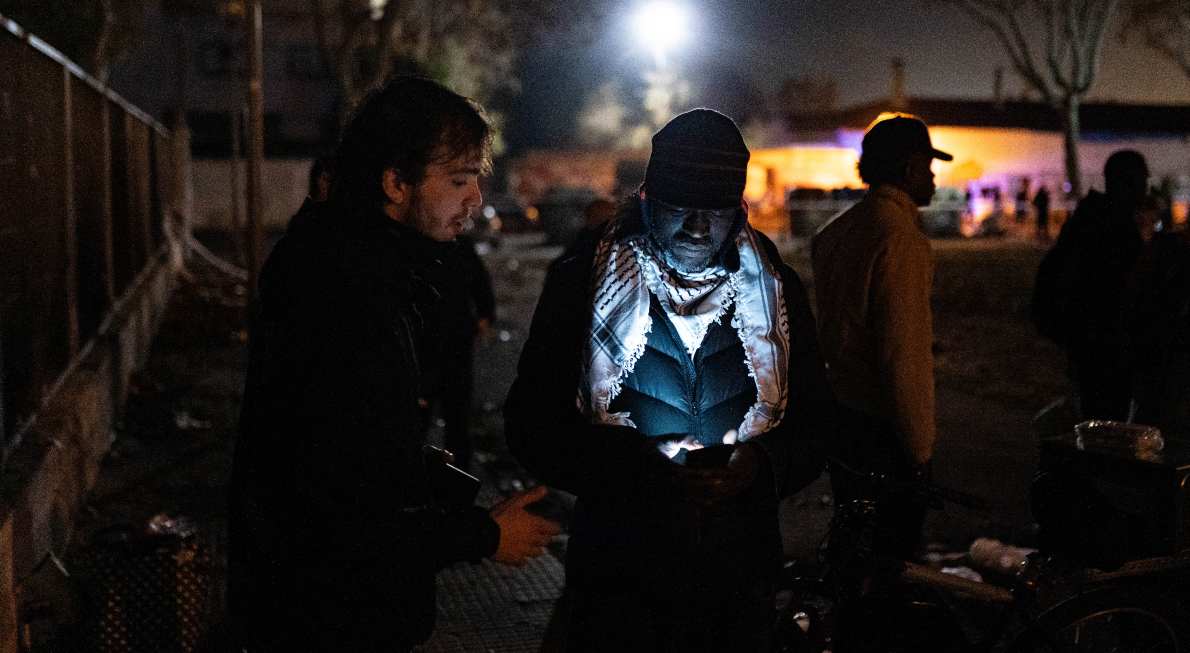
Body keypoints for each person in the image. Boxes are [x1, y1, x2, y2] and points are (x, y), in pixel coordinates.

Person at [227, 77, 559, 653]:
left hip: (313, 605)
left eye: (476, 178)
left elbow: (331, 450)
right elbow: (342, 514)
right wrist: (486, 535)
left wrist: (412, 465)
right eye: (458, 179)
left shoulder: (350, 260)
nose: (476, 198)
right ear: (396, 184)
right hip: (331, 617)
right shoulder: (351, 293)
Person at [504, 109, 833, 653]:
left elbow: (816, 423)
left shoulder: (775, 290)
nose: (699, 228)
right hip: (618, 583)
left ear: (741, 207)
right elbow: (530, 425)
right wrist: (630, 466)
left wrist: (761, 465)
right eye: (682, 208)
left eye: (718, 210)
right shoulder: (582, 281)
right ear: (648, 199)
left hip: (738, 583)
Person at [812, 113, 951, 560]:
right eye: (928, 168)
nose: (932, 178)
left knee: (855, 549)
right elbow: (901, 357)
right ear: (910, 169)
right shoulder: (899, 238)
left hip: (842, 416)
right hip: (881, 429)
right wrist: (919, 449)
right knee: (894, 558)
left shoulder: (837, 231)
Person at [1032, 151, 1151, 421]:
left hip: (1086, 345)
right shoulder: (1113, 224)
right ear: (1128, 181)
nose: (1147, 185)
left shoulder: (1090, 217)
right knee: (1107, 426)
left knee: (1097, 419)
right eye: (1143, 177)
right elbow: (1122, 289)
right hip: (1104, 348)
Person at [425, 233, 496, 470]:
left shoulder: (458, 243)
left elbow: (479, 278)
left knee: (456, 413)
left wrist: (485, 312)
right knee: (427, 410)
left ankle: (457, 474)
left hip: (453, 339)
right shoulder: (416, 243)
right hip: (430, 339)